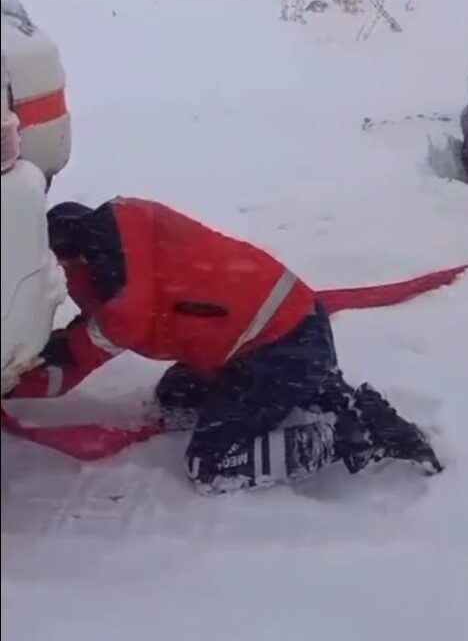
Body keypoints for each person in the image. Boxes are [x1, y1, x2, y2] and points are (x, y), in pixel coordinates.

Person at [9, 198, 443, 493]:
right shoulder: (117, 247)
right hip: (267, 338)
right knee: (173, 399)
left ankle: (351, 434)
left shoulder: (118, 278)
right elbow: (79, 353)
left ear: (64, 257)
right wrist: (14, 380)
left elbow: (112, 328)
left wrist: (24, 370)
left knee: (213, 465)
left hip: (283, 345)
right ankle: (327, 394)